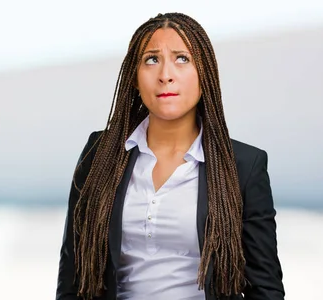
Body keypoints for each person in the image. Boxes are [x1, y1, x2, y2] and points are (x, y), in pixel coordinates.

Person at [56, 12, 285, 300]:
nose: (165, 75)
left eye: (182, 59)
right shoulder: (99, 155)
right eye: (151, 59)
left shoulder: (245, 166)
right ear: (135, 79)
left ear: (205, 75)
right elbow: (72, 277)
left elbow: (265, 289)